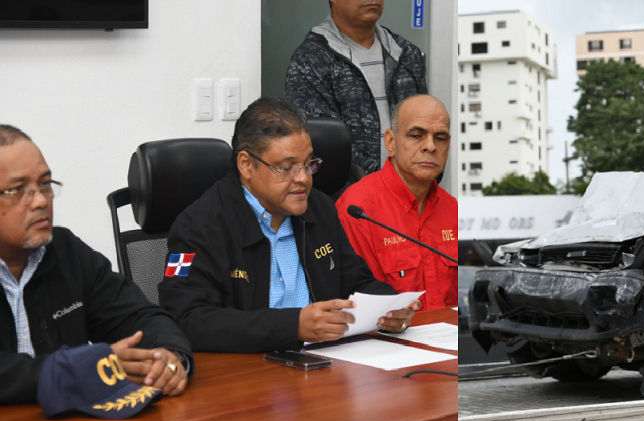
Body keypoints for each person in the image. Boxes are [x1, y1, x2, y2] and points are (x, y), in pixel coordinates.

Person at [158, 97, 417, 353]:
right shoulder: (199, 226)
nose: (303, 179)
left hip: (325, 365)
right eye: (287, 168)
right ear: (246, 165)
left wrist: (390, 307)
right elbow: (188, 320)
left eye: (307, 164)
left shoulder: (320, 208)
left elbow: (355, 281)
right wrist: (292, 327)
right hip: (247, 374)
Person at [0, 125, 191, 405]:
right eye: (18, 190)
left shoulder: (65, 250)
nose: (41, 201)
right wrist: (82, 369)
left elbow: (141, 317)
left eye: (44, 184)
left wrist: (169, 358)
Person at [335, 95, 456, 310]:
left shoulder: (454, 210)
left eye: (440, 138)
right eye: (417, 135)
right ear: (391, 142)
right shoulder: (359, 210)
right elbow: (361, 303)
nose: (430, 146)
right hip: (388, 340)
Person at [285, 0, 427, 175]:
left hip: (410, 192)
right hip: (347, 198)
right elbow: (325, 146)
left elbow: (427, 129)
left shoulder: (406, 54)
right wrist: (383, 186)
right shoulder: (311, 60)